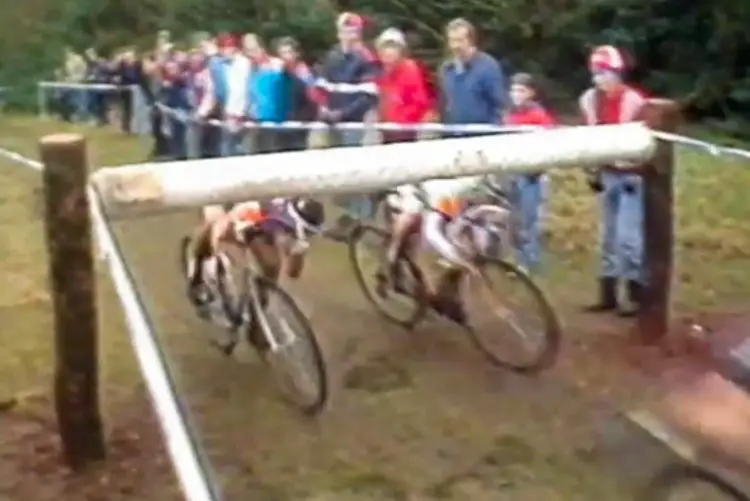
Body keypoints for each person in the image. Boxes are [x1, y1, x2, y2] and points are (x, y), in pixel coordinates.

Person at [381, 175, 510, 324]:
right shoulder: (442, 201)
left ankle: (444, 291)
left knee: (460, 251)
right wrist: (461, 261)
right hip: (412, 198)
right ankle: (391, 260)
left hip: (435, 197)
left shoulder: (471, 185)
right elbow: (432, 234)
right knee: (410, 222)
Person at [580, 45, 647, 317]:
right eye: (596, 73)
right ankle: (607, 294)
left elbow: (643, 141)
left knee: (628, 237)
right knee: (608, 235)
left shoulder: (634, 101)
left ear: (617, 73)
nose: (600, 78)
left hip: (632, 175)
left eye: (605, 72)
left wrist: (634, 168)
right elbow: (592, 136)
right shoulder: (590, 99)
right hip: (608, 173)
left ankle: (636, 294)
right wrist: (593, 170)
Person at [186, 197, 326, 313]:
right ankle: (197, 279)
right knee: (211, 226)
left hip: (258, 225)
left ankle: (259, 310)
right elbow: (221, 228)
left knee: (271, 265)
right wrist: (212, 248)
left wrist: (298, 253)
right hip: (235, 207)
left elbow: (293, 273)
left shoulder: (292, 230)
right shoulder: (256, 210)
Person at [315, 11, 380, 236]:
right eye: (344, 29)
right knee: (336, 172)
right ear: (338, 31)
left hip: (355, 123)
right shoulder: (332, 55)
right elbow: (321, 86)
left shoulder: (367, 58)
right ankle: (346, 218)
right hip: (332, 122)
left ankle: (362, 219)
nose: (348, 34)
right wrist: (323, 107)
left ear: (359, 32)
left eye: (352, 30)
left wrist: (342, 114)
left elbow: (368, 95)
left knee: (355, 172)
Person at [504, 73, 556, 273]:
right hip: (514, 171)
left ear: (531, 93)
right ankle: (519, 260)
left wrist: (538, 169)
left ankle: (531, 260)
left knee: (530, 219)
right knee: (515, 218)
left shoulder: (539, 115)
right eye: (514, 90)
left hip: (532, 174)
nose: (516, 94)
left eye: (522, 90)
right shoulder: (509, 115)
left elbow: (548, 143)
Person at [440, 18, 507, 135]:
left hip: (482, 137)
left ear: (470, 41)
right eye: (452, 40)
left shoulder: (487, 66)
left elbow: (499, 105)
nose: (455, 45)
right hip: (453, 136)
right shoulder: (447, 68)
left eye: (460, 40)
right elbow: (445, 103)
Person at [374, 28, 432, 144]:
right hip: (384, 133)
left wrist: (399, 123)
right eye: (385, 47)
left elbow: (420, 104)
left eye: (393, 47)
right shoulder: (377, 73)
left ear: (401, 51)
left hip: (406, 133)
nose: (389, 51)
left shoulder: (410, 70)